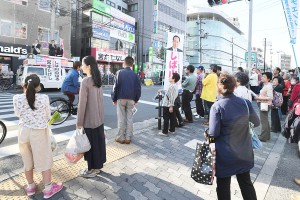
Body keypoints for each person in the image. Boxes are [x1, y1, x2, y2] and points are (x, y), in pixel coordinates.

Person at [208, 73, 259, 200]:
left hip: (225, 155)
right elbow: (256, 122)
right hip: (244, 152)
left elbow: (213, 133)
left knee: (223, 186)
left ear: (219, 87)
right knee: (246, 184)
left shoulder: (217, 106)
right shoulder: (246, 103)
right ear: (234, 86)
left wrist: (207, 134)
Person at [13, 74, 63, 198]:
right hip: (39, 132)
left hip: (23, 131)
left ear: (23, 85)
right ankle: (48, 188)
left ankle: (30, 187)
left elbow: (18, 114)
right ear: (38, 86)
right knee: (44, 159)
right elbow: (47, 116)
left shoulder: (16, 98)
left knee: (27, 160)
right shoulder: (44, 98)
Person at [76, 56, 106, 178]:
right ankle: (97, 167)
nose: (81, 66)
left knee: (90, 145)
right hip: (99, 119)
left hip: (89, 120)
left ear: (88, 66)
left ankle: (91, 169)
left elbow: (82, 103)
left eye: (83, 64)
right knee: (98, 143)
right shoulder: (97, 79)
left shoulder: (85, 81)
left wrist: (79, 122)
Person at [111, 56, 141, 144]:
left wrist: (114, 98)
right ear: (132, 64)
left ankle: (120, 137)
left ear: (124, 62)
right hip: (131, 99)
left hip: (121, 98)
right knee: (130, 118)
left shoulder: (119, 73)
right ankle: (128, 137)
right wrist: (136, 99)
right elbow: (138, 89)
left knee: (121, 118)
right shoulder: (135, 75)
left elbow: (115, 87)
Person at [255, 72, 273, 142]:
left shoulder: (268, 86)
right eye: (262, 76)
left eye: (264, 77)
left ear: (268, 79)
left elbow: (270, 97)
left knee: (264, 121)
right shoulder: (266, 85)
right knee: (265, 120)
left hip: (265, 104)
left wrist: (259, 98)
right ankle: (267, 135)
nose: (262, 77)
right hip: (264, 104)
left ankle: (263, 137)